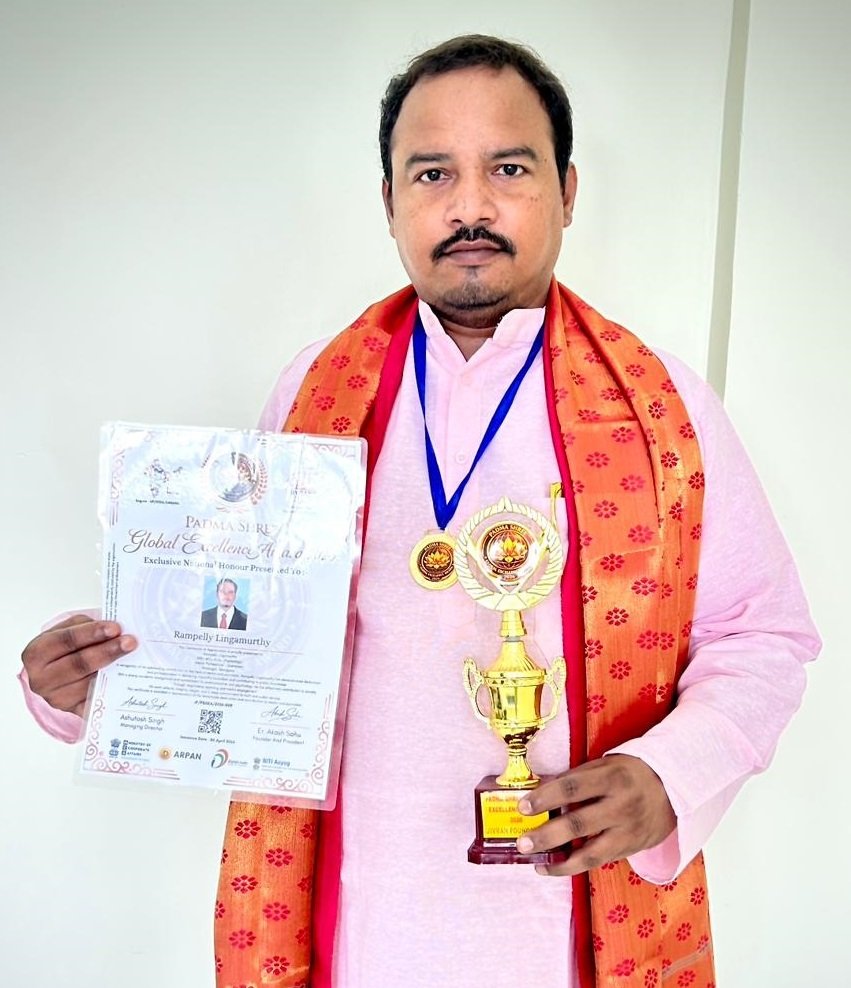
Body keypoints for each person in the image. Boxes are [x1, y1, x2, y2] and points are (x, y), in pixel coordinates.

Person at [18, 34, 820, 988]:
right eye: (432, 173)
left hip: (571, 928)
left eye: (508, 168)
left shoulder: (662, 409)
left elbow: (762, 634)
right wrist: (95, 685)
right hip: (355, 919)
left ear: (567, 191)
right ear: (390, 202)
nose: (469, 206)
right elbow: (241, 626)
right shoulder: (313, 392)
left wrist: (669, 774)